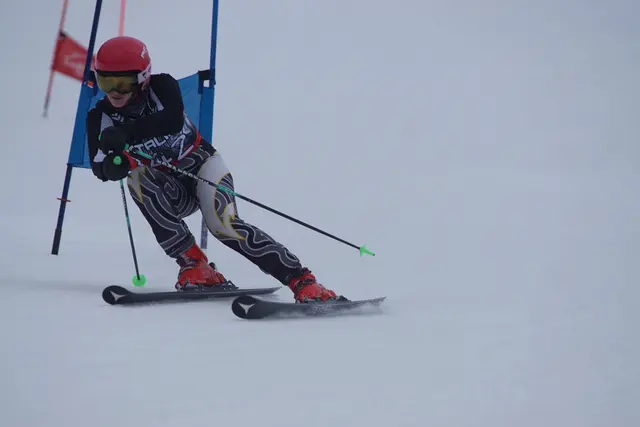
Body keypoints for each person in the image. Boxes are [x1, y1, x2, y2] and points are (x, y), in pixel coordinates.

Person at [86, 35, 338, 303]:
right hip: (170, 191)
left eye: (123, 83)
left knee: (223, 225)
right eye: (105, 82)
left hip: (202, 167)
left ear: (144, 78)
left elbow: (171, 120)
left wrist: (126, 133)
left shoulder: (162, 86)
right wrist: (116, 166)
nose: (114, 91)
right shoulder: (100, 117)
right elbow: (99, 166)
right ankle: (196, 265)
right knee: (136, 179)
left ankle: (302, 280)